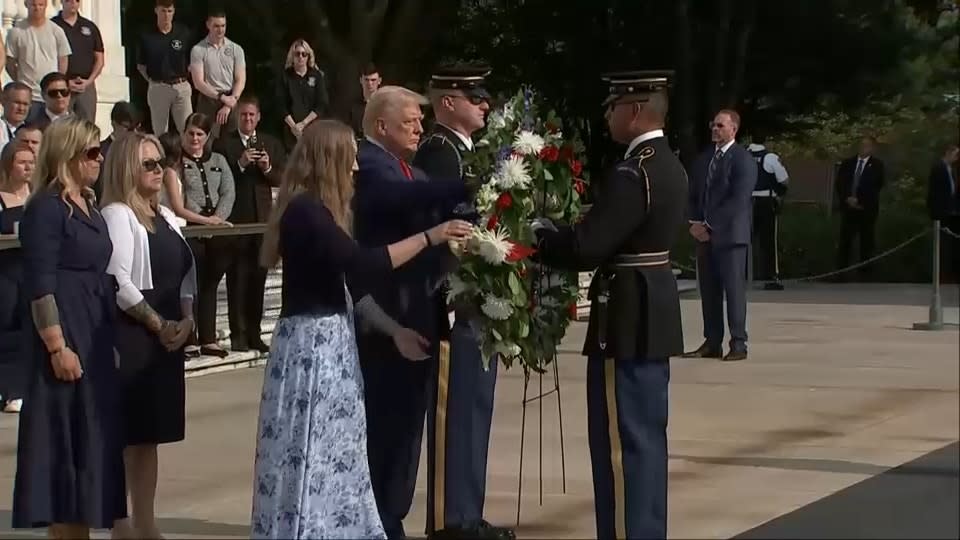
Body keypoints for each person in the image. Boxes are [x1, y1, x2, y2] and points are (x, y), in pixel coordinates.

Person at [250, 119, 473, 539]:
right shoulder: (305, 211)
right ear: (330, 158)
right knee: (311, 449)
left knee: (338, 450)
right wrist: (431, 236)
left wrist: (394, 332)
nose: (355, 166)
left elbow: (352, 290)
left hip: (331, 343)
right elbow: (364, 265)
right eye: (349, 156)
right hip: (312, 349)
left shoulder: (324, 212)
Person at [532, 70, 687, 540]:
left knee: (623, 445)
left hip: (627, 311)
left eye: (613, 106)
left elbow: (588, 246)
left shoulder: (632, 170)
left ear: (635, 110)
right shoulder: (669, 164)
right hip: (652, 305)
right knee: (646, 440)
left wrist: (539, 234)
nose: (607, 115)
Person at [353, 85, 469, 539]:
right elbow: (407, 204)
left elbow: (436, 206)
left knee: (407, 432)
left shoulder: (411, 171)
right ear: (381, 126)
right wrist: (471, 184)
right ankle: (380, 520)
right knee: (385, 428)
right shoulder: (371, 166)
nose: (420, 128)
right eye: (410, 122)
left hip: (418, 312)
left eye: (421, 121)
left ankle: (392, 514)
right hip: (385, 319)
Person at [11, 116, 126, 539]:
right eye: (92, 153)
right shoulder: (46, 207)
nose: (99, 160)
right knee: (65, 460)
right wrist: (57, 345)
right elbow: (40, 284)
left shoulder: (89, 204)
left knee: (90, 455)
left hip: (95, 332)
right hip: (65, 336)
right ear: (69, 155)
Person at [413, 64, 513, 540]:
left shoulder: (466, 151)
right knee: (456, 412)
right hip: (451, 302)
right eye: (475, 96)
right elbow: (441, 227)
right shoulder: (438, 152)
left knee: (475, 410)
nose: (484, 104)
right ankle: (451, 520)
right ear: (448, 101)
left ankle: (467, 515)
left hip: (477, 297)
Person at [100, 132, 196, 539]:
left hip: (170, 335)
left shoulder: (167, 219)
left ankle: (146, 521)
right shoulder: (118, 214)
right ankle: (121, 524)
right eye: (149, 164)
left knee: (150, 438)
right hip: (135, 335)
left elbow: (187, 273)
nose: (160, 170)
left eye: (161, 163)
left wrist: (188, 320)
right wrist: (158, 324)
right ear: (126, 167)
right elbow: (117, 279)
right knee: (126, 436)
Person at [683, 109, 757, 362]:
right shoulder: (704, 160)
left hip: (730, 237)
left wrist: (710, 225)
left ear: (733, 129)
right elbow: (693, 194)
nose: (715, 129)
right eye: (713, 125)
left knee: (734, 291)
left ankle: (738, 343)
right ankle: (712, 341)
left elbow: (738, 200)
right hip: (704, 238)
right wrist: (694, 223)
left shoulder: (743, 160)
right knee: (709, 292)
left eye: (720, 126)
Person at [213, 95, 285, 352]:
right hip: (238, 220)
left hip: (262, 222)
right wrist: (241, 164)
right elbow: (221, 180)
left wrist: (266, 168)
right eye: (244, 115)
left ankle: (255, 333)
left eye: (252, 115)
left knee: (259, 280)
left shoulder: (271, 144)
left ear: (259, 117)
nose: (248, 119)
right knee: (238, 280)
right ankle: (238, 335)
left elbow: (281, 179)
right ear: (237, 116)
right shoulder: (225, 145)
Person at [178, 112, 234, 357]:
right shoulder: (178, 162)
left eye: (200, 134)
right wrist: (201, 216)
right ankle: (189, 337)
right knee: (190, 285)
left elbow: (228, 191)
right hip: (191, 230)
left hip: (215, 230)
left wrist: (218, 219)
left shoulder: (219, 160)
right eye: (191, 133)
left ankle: (208, 337)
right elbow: (179, 195)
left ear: (207, 136)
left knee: (210, 284)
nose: (195, 138)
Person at [0, 141, 35, 414]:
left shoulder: (38, 197)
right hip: (7, 274)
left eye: (31, 162)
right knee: (8, 330)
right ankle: (8, 389)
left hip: (32, 272)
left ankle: (24, 389)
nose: (27, 167)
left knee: (30, 330)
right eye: (21, 162)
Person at [3, 0, 72, 121]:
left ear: (45, 5)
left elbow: (63, 60)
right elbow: (10, 62)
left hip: (51, 95)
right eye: (33, 5)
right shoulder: (16, 32)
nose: (37, 8)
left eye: (40, 5)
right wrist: (21, 81)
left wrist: (57, 84)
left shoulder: (56, 31)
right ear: (26, 4)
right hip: (28, 96)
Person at [137, 0, 195, 135]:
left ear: (174, 12)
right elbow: (141, 65)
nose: (166, 15)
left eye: (169, 11)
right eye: (163, 11)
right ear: (156, 10)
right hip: (158, 86)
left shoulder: (183, 32)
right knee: (160, 132)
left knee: (187, 129)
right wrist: (153, 81)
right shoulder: (146, 35)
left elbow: (192, 59)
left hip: (181, 85)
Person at [189, 8, 246, 143]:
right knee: (205, 140)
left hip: (231, 97)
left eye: (223, 26)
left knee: (232, 141)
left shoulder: (235, 49)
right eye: (216, 26)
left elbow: (240, 78)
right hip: (208, 99)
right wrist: (221, 97)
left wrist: (230, 102)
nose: (220, 30)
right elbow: (198, 82)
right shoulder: (198, 49)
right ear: (208, 25)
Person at [835, 135, 885, 279]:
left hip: (866, 209)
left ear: (873, 148)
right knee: (845, 241)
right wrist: (847, 198)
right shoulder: (848, 163)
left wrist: (859, 200)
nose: (864, 148)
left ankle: (865, 275)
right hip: (848, 208)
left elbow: (876, 186)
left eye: (867, 145)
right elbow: (840, 183)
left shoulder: (877, 165)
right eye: (862, 145)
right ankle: (841, 273)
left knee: (867, 242)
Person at [51, 0, 105, 122]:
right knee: (59, 124)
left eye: (77, 0)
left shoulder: (90, 27)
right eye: (69, 0)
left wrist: (89, 81)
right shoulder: (52, 26)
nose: (73, 3)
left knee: (87, 126)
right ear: (61, 2)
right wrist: (63, 81)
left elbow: (99, 59)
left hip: (86, 85)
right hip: (61, 86)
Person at [747, 135, 789, 290]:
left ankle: (741, 274)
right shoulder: (770, 157)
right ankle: (771, 276)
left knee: (744, 239)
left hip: (745, 202)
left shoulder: (743, 155)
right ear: (767, 141)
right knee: (768, 241)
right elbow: (784, 180)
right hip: (765, 202)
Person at [276, 39, 329, 150]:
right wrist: (294, 127)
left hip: (313, 127)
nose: (300, 57)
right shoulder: (285, 76)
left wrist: (304, 124)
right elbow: (280, 104)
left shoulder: (317, 76)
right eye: (297, 54)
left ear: (308, 56)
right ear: (292, 56)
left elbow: (322, 103)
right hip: (291, 129)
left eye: (304, 54)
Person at [927, 142, 959, 282]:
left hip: (952, 212)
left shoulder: (951, 170)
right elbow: (934, 192)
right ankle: (941, 275)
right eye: (955, 154)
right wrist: (935, 212)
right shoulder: (938, 168)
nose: (957, 157)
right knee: (942, 245)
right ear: (948, 153)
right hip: (941, 212)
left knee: (951, 245)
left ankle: (950, 273)